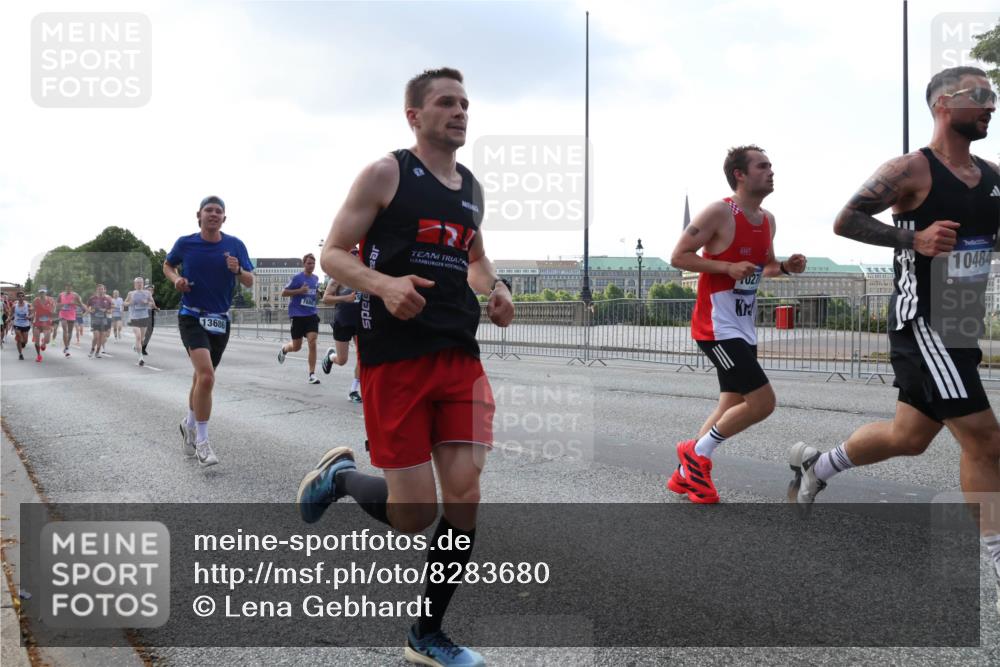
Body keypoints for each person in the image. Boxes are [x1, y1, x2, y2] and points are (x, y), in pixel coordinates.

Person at [295, 68, 513, 667]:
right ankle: (340, 477)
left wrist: (497, 289)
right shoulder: (386, 172)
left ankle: (427, 634)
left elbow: (475, 254)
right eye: (446, 102)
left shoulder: (470, 187)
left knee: (465, 493)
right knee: (413, 515)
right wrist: (383, 284)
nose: (460, 111)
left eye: (466, 102)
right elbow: (334, 254)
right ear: (414, 115)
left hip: (459, 354)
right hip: (394, 355)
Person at [787, 67, 1000, 606]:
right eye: (980, 96)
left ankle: (818, 465)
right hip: (923, 323)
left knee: (909, 436)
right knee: (986, 440)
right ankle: (996, 561)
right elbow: (845, 219)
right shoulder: (911, 169)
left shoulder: (993, 177)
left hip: (962, 322)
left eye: (993, 97)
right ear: (942, 104)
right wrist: (914, 236)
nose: (990, 105)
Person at [668, 145, 806, 503]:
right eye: (762, 166)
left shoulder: (767, 220)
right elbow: (678, 256)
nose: (771, 171)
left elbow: (766, 266)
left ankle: (686, 473)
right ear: (740, 175)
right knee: (762, 403)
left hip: (743, 327)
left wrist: (787, 266)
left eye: (771, 165)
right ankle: (696, 455)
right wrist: (726, 268)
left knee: (729, 405)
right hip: (716, 327)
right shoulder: (719, 212)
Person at [163, 195, 254, 468]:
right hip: (191, 315)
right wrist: (176, 279)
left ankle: (188, 424)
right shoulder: (186, 243)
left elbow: (250, 281)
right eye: (209, 210)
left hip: (220, 320)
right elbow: (168, 265)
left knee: (201, 379)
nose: (213, 214)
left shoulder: (235, 245)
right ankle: (202, 441)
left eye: (218, 211)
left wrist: (238, 270)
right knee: (206, 376)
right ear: (199, 215)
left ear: (224, 218)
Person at [321, 247, 363, 402]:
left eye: (358, 256)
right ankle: (331, 357)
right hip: (343, 321)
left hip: (360, 321)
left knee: (362, 357)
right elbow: (326, 299)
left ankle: (353, 390)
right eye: (352, 256)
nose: (355, 259)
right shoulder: (337, 277)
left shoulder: (364, 277)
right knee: (342, 359)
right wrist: (344, 299)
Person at [277, 253, 322, 384]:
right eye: (309, 263)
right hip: (297, 315)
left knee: (312, 342)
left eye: (313, 263)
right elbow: (284, 292)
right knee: (297, 347)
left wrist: (318, 294)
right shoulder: (297, 278)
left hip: (311, 315)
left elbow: (313, 295)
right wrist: (299, 291)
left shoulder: (315, 278)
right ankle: (285, 349)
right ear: (304, 264)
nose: (311, 266)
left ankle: (312, 374)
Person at [124, 277, 155, 366]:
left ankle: (136, 346)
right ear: (134, 284)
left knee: (141, 339)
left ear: (143, 284)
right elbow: (124, 303)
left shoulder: (147, 293)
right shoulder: (131, 293)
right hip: (134, 318)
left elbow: (153, 304)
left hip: (144, 317)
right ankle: (141, 358)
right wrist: (130, 303)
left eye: (141, 282)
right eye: (137, 283)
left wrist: (147, 303)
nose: (139, 284)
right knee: (138, 337)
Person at [86, 283, 114, 358]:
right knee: (96, 336)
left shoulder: (107, 299)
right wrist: (90, 310)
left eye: (102, 289)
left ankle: (97, 351)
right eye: (99, 289)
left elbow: (111, 308)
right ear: (97, 290)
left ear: (104, 290)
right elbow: (87, 307)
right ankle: (92, 349)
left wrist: (107, 310)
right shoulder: (92, 298)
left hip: (104, 320)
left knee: (102, 337)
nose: (101, 290)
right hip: (95, 319)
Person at [57, 283, 84, 357]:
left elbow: (80, 304)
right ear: (65, 288)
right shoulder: (61, 295)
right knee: (65, 330)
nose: (68, 289)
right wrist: (61, 305)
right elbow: (57, 303)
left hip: (71, 314)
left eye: (70, 287)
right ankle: (66, 347)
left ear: (71, 288)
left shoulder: (75, 295)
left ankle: (67, 345)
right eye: (67, 287)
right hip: (63, 314)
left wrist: (74, 303)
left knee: (70, 332)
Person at [31, 287, 56, 363]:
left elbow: (54, 308)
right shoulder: (36, 300)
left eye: (43, 292)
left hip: (47, 323)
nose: (42, 293)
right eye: (41, 292)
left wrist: (53, 313)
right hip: (38, 323)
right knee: (36, 342)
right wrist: (30, 315)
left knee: (47, 341)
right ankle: (38, 355)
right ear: (39, 293)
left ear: (46, 292)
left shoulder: (51, 300)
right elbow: (33, 310)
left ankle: (44, 342)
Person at [10, 291, 31, 360]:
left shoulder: (28, 305)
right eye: (19, 296)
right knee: (19, 338)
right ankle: (20, 354)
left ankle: (23, 342)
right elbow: (11, 315)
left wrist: (29, 317)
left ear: (24, 297)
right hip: (17, 324)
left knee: (25, 341)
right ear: (17, 297)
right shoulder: (14, 306)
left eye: (22, 296)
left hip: (25, 324)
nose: (21, 297)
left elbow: (33, 313)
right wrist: (8, 320)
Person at [142, 282, 157, 355]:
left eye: (151, 290)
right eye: (149, 290)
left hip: (151, 315)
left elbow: (154, 306)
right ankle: (139, 345)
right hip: (144, 315)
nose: (150, 291)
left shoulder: (152, 298)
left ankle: (143, 347)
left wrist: (157, 309)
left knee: (150, 332)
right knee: (145, 331)